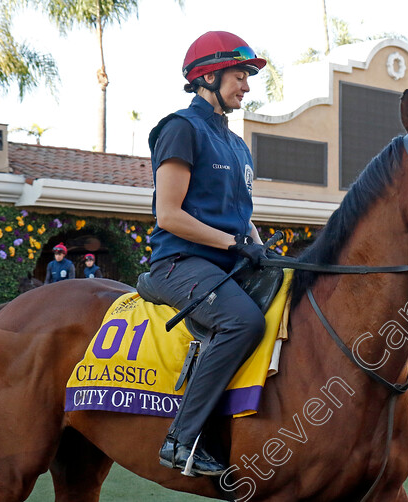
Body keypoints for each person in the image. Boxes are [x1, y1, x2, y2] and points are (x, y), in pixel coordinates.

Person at [146, 31, 269, 476]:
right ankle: (180, 442)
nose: (247, 86)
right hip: (177, 263)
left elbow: (240, 216)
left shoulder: (237, 145)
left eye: (248, 77)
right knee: (242, 321)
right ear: (209, 76)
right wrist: (234, 245)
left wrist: (257, 246)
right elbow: (168, 216)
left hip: (226, 264)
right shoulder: (181, 128)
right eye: (240, 75)